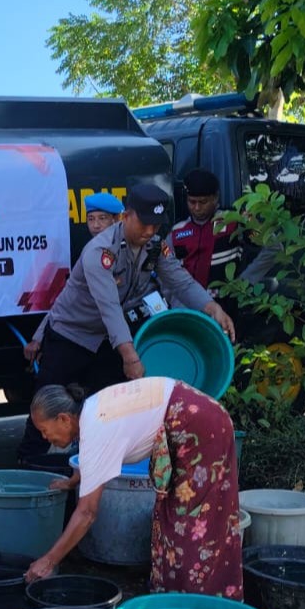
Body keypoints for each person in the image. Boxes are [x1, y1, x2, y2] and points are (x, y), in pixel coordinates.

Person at [16, 182, 235, 466]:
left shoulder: (156, 245)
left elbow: (178, 279)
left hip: (108, 340)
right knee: (49, 402)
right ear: (126, 215)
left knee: (103, 405)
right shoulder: (100, 251)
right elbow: (108, 307)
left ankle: (91, 465)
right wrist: (130, 356)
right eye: (144, 224)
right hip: (71, 335)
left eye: (156, 226)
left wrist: (211, 307)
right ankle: (27, 462)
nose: (149, 232)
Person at [25, 378, 243, 598]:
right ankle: (171, 597)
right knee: (170, 518)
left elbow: (87, 513)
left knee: (192, 524)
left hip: (201, 426)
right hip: (196, 415)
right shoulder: (91, 411)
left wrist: (49, 560)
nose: (45, 438)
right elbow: (95, 461)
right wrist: (73, 482)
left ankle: (200, 605)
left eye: (44, 430)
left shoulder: (96, 427)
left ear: (63, 419)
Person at [169, 168, 278, 291]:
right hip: (186, 307)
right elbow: (166, 267)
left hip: (225, 304)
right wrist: (172, 299)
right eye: (192, 202)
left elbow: (273, 247)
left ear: (215, 198)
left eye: (203, 202)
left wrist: (245, 282)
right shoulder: (177, 232)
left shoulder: (234, 222)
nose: (197, 207)